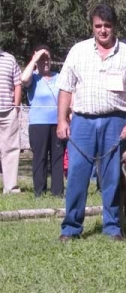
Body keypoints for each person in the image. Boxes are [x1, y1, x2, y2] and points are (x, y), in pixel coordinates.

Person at [56, 3, 126, 242]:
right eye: (98, 26)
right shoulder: (78, 51)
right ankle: (71, 228)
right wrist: (61, 120)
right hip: (82, 122)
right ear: (92, 27)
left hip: (115, 122)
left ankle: (112, 228)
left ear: (114, 26)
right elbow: (65, 88)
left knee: (112, 178)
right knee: (77, 175)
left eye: (107, 26)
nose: (103, 30)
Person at [21, 45, 65, 197]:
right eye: (42, 59)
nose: (46, 62)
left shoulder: (59, 77)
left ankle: (58, 192)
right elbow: (23, 79)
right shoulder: (33, 77)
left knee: (57, 158)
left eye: (48, 59)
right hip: (38, 124)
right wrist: (35, 58)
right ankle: (39, 192)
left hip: (57, 123)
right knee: (40, 158)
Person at [0, 48, 22, 194]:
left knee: (11, 150)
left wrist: (16, 105)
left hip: (8, 112)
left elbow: (18, 83)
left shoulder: (10, 58)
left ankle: (10, 188)